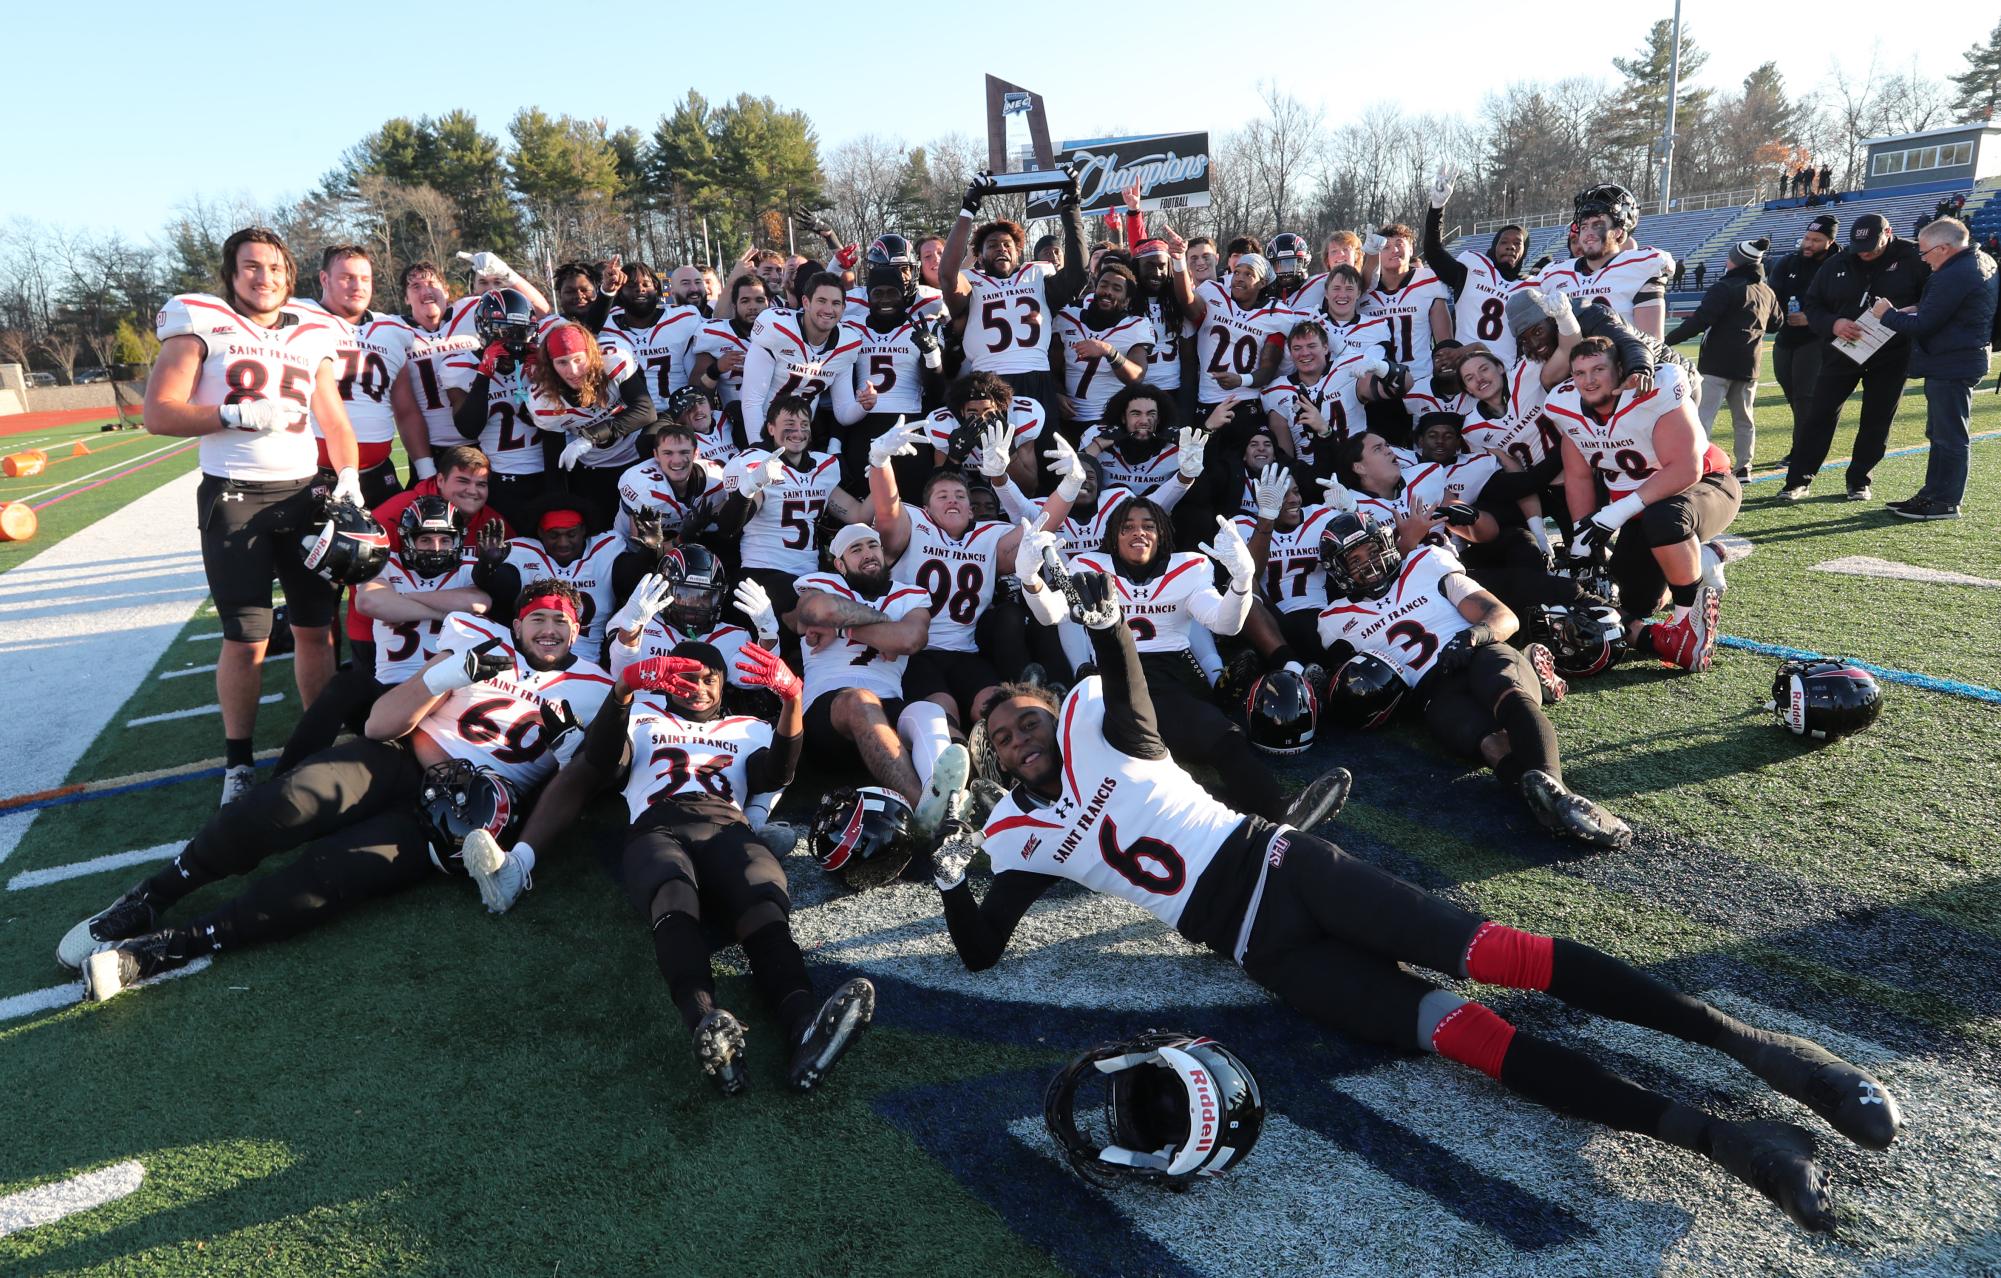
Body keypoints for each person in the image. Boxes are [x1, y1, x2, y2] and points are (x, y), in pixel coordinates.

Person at [934, 582, 1902, 1234]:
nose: (1016, 740)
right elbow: (981, 947)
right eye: (1001, 740)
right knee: (1467, 1037)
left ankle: (1765, 1054)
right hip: (1260, 950)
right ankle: (1728, 1143)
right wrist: (945, 878)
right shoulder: (1021, 838)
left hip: (1287, 866)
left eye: (1021, 719)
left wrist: (1104, 616)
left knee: (1503, 955)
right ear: (995, 766)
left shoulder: (1106, 728)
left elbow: (1127, 679)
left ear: (1047, 710)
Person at [60, 580, 613, 998]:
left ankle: (172, 948)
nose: (548, 629)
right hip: (399, 758)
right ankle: (153, 897)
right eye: (537, 617)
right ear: (517, 626)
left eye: (560, 621)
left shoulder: (598, 689)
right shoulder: (480, 643)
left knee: (328, 876)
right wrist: (446, 677)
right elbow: (378, 725)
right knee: (286, 801)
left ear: (578, 629)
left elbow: (594, 782)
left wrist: (573, 754)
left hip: (462, 815)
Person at [494, 635, 875, 1095]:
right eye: (686, 677)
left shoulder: (749, 727)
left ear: (723, 685)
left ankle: (804, 1029)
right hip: (658, 825)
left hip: (728, 826)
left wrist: (792, 700)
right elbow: (602, 763)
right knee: (672, 892)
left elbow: (775, 773)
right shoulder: (642, 718)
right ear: (666, 682)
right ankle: (708, 1027)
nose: (697, 686)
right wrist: (622, 693)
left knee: (764, 908)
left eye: (709, 679)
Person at [144, 227, 365, 805]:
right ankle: (238, 762)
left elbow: (334, 421)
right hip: (236, 498)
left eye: (272, 267)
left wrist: (347, 478)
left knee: (318, 630)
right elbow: (158, 413)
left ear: (288, 277)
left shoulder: (313, 333)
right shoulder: (201, 321)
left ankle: (317, 742)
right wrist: (229, 415)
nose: (262, 277)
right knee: (247, 638)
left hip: (304, 497)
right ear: (232, 273)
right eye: (250, 267)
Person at [1544, 338, 1737, 671]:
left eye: (1598, 369)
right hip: (1640, 510)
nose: (1589, 380)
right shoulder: (1566, 407)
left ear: (1619, 369)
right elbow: (1578, 477)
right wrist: (1582, 535)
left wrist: (1616, 512)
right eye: (1580, 373)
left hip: (1705, 486)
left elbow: (1685, 468)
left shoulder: (1654, 391)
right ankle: (1702, 561)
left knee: (1666, 518)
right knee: (1638, 601)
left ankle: (1685, 624)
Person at [791, 524, 956, 824]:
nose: (868, 554)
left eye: (872, 546)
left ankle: (945, 805)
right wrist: (885, 628)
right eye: (856, 549)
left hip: (888, 706)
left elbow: (910, 639)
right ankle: (924, 815)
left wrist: (845, 627)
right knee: (860, 700)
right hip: (828, 715)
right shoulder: (822, 583)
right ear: (839, 564)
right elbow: (818, 611)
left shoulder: (912, 595)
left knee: (927, 710)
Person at [1781, 213, 1929, 503]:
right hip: (1842, 350)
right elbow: (1813, 303)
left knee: (1877, 418)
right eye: (1859, 246)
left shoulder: (1914, 258)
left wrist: (1907, 312)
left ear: (1889, 232)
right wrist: (1833, 324)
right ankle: (1799, 479)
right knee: (1819, 415)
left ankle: (1859, 479)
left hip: (1891, 352)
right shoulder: (1838, 262)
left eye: (1872, 245)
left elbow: (1932, 299)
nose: (1865, 252)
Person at [1870, 216, 1998, 519]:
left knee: (1949, 435)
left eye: (1925, 252)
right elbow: (1950, 311)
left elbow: (1925, 325)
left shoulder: (1955, 273)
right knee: (1942, 432)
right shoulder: (1979, 261)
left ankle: (1944, 500)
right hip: (1959, 357)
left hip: (1952, 361)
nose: (1923, 259)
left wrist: (1886, 315)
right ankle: (1933, 494)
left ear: (1943, 249)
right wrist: (1920, 308)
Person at [940, 176, 1089, 429]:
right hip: (987, 381)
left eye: (1007, 244)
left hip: (1037, 378)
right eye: (992, 245)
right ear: (979, 255)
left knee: (1044, 458)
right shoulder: (972, 281)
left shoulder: (1037, 275)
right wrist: (968, 208)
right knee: (994, 458)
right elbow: (946, 275)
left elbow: (1078, 274)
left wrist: (1071, 207)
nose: (1001, 249)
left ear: (1018, 251)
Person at [291, 245, 422, 507]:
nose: (357, 286)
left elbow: (406, 410)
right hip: (314, 475)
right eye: (347, 277)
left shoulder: (392, 329)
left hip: (379, 474)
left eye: (365, 279)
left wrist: (426, 468)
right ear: (324, 279)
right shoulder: (297, 316)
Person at [1663, 239, 1781, 478]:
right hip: (1750, 365)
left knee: (1703, 417)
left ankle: (1699, 464)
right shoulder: (1767, 291)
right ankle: (1744, 466)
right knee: (1744, 419)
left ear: (1734, 261)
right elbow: (1776, 323)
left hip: (1717, 364)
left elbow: (1700, 321)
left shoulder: (1725, 287)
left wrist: (1666, 341)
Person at [523, 320, 658, 517]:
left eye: (578, 359)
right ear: (550, 365)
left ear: (592, 354)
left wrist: (591, 436)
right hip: (594, 470)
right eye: (562, 362)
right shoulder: (543, 400)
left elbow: (646, 411)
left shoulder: (612, 360)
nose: (573, 371)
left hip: (637, 458)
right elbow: (555, 463)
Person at [1421, 165, 1530, 366]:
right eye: (1504, 242)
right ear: (1494, 246)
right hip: (1466, 369)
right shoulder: (1472, 269)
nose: (1510, 247)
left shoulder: (1530, 287)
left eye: (1517, 243)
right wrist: (1437, 207)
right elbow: (1433, 252)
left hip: (1508, 374)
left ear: (1525, 251)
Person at [738, 271, 866, 440]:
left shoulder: (848, 344)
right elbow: (751, 402)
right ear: (806, 302)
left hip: (799, 435)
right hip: (760, 425)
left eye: (835, 303)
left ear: (843, 308)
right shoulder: (778, 329)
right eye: (821, 301)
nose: (828, 309)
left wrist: (864, 406)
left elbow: (843, 413)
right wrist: (759, 449)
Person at [1537, 185, 1674, 339]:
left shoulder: (1640, 267)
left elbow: (1652, 343)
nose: (1588, 232)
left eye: (1598, 225)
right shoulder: (1554, 273)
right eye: (1584, 226)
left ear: (1618, 232)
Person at [1768, 215, 1840, 474]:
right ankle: (1806, 442)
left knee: (1804, 397)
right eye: (1807, 238)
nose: (1808, 244)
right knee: (1792, 393)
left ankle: (1801, 450)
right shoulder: (1788, 261)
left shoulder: (1839, 264)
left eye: (1816, 240)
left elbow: (1843, 302)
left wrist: (1812, 319)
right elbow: (1772, 295)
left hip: (1817, 339)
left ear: (1830, 242)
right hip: (1786, 337)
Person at [1360, 223, 1454, 379]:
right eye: (1386, 247)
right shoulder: (1365, 289)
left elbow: (1445, 341)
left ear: (1411, 249)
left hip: (1420, 380)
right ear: (1378, 252)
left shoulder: (1428, 281)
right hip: (1376, 386)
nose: (1394, 251)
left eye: (1399, 244)